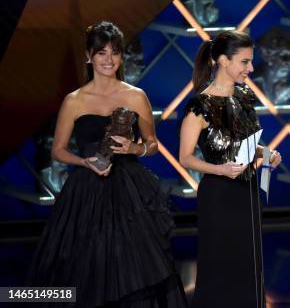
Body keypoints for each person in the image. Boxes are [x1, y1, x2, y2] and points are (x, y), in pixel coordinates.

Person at [27, 21, 187, 307]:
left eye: (115, 52)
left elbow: (153, 146)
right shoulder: (74, 101)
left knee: (133, 263)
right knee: (86, 264)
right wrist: (83, 162)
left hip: (130, 190)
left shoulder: (136, 96)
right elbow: (59, 151)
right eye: (101, 53)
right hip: (87, 190)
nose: (109, 59)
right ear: (89, 56)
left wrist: (134, 147)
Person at [179, 30, 282, 308]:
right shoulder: (199, 105)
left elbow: (246, 145)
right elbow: (185, 158)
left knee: (248, 265)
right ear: (223, 61)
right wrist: (220, 169)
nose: (250, 68)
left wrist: (266, 153)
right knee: (220, 266)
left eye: (250, 62)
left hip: (247, 192)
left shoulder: (246, 96)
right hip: (219, 194)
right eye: (244, 62)